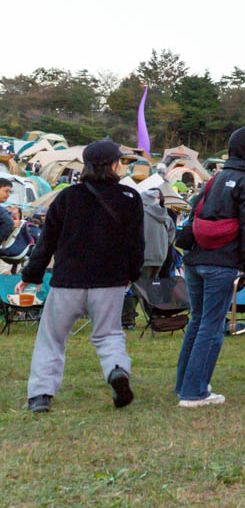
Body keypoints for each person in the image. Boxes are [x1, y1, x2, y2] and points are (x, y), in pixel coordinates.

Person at [21, 140, 144, 414]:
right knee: (109, 334)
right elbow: (136, 245)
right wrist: (131, 275)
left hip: (68, 280)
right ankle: (116, 371)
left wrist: (32, 275)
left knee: (52, 338)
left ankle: (41, 395)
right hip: (110, 281)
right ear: (114, 164)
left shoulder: (67, 197)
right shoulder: (130, 198)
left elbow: (47, 241)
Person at [176, 127, 245, 409]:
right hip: (222, 263)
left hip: (195, 259)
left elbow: (195, 210)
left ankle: (185, 383)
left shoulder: (217, 178)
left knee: (198, 320)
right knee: (212, 326)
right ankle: (195, 393)